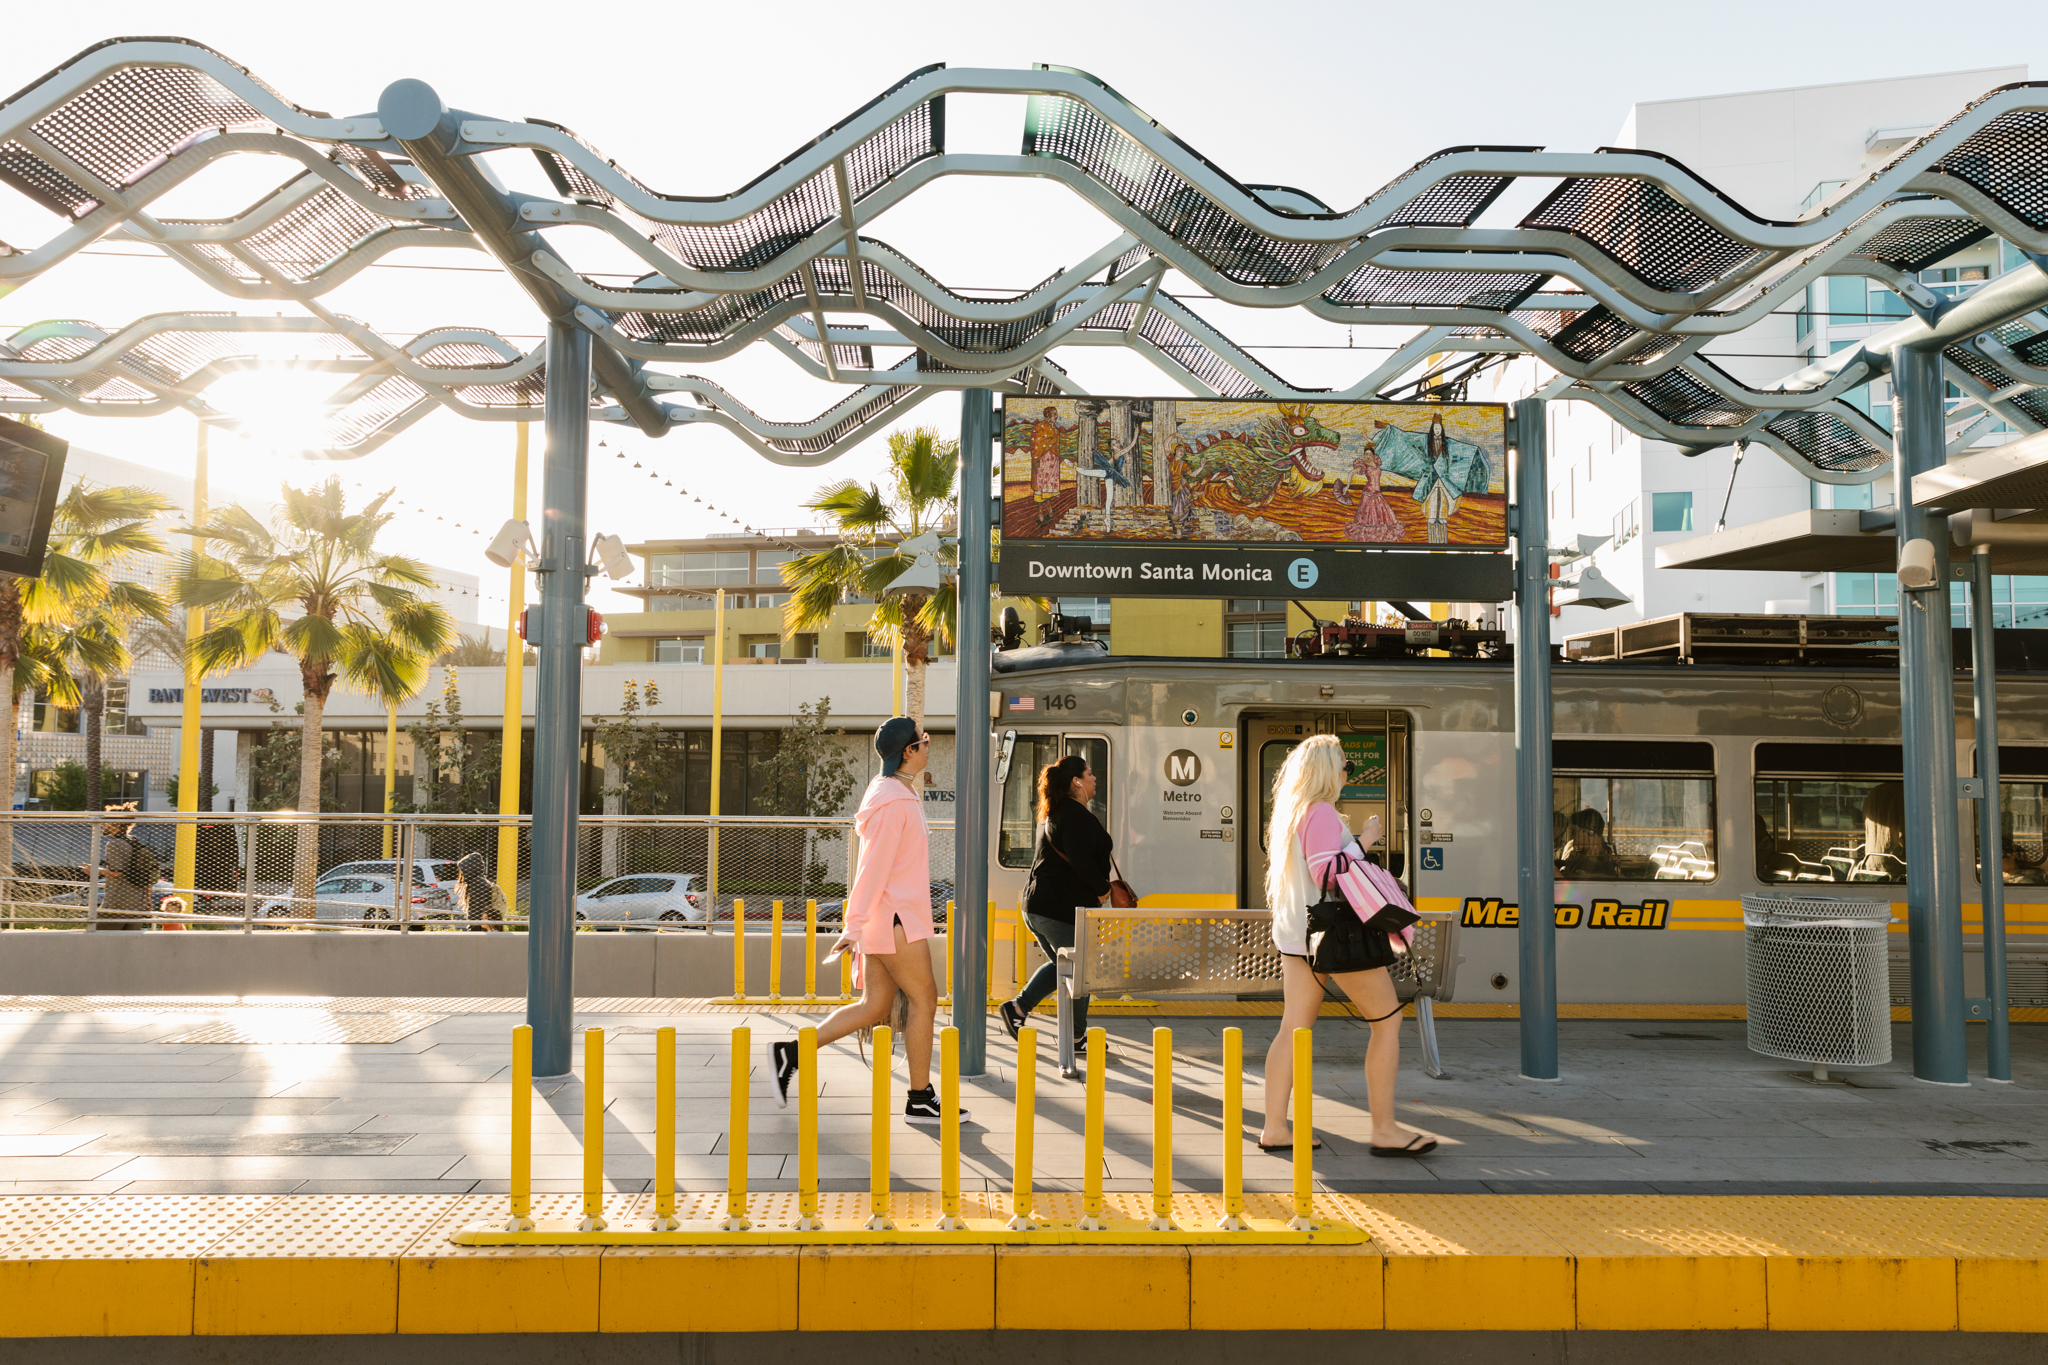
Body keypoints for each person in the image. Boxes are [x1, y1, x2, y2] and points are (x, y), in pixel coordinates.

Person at [770, 718, 963, 1124]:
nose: (929, 747)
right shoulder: (895, 800)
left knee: (875, 1005)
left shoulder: (889, 792)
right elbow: (872, 869)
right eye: (923, 742)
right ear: (908, 752)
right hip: (896, 919)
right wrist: (853, 925)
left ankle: (791, 1053)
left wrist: (858, 925)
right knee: (925, 1000)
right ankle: (920, 1097)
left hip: (887, 917)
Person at [1260, 736, 1435, 1157]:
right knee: (1387, 1022)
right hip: (1336, 936)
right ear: (1324, 770)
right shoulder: (1319, 812)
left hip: (1301, 936)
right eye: (1344, 766)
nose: (1346, 774)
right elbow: (1327, 873)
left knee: (1293, 1029)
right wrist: (1366, 839)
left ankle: (1275, 1128)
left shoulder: (1294, 812)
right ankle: (1386, 1129)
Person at [997, 755, 1113, 1067]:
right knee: (1081, 968)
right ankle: (1074, 1037)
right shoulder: (1074, 816)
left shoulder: (1059, 813)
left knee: (1065, 966)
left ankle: (1019, 1010)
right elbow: (1081, 860)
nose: (1094, 779)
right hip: (1058, 908)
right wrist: (1103, 888)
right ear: (1077, 782)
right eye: (1090, 774)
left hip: (1040, 906)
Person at [95, 804, 152, 931]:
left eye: (106, 821)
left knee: (99, 939)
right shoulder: (134, 841)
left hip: (117, 902)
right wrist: (147, 899)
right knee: (128, 944)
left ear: (116, 823)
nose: (102, 825)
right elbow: (147, 872)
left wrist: (93, 870)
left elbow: (117, 872)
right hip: (137, 903)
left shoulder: (114, 843)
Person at [1340, 441, 1402, 544]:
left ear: (1373, 456)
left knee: (1383, 518)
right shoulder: (1363, 466)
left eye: (1369, 454)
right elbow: (1351, 473)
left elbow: (1374, 443)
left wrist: (1365, 438)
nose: (1368, 456)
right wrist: (1347, 486)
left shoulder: (1376, 462)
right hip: (1368, 494)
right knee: (1367, 519)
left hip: (1378, 494)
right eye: (1366, 454)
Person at [1557, 807, 1620, 879]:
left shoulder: (1602, 864)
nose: (1571, 837)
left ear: (1590, 833)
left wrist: (1557, 875)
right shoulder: (1579, 857)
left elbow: (1582, 887)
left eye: (1574, 832)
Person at [455, 851, 500, 931]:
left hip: (477, 928)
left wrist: (472, 929)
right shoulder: (482, 880)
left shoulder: (477, 883)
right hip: (483, 926)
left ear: (470, 869)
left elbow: (476, 909)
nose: (462, 873)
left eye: (463, 870)